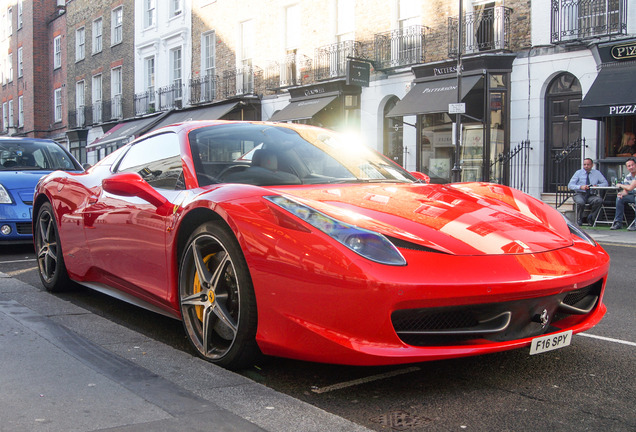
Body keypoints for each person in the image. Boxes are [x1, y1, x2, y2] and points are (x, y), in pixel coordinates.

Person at [568, 158, 608, 226]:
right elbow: (570, 185)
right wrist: (580, 187)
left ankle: (591, 218)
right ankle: (579, 219)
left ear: (592, 165)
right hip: (580, 194)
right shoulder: (578, 173)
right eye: (584, 164)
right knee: (581, 202)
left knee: (599, 200)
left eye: (588, 164)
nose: (586, 166)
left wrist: (597, 186)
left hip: (591, 194)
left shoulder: (597, 173)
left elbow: (605, 183)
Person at [611, 157, 636, 231]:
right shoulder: (628, 176)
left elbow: (630, 187)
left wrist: (620, 185)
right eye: (629, 166)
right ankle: (618, 222)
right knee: (619, 198)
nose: (631, 167)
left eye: (632, 165)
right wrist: (621, 194)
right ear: (627, 168)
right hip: (632, 195)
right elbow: (626, 190)